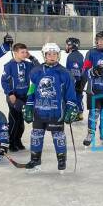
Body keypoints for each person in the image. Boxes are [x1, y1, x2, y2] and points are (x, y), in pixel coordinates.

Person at [23, 43, 77, 172]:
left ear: (58, 56)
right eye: (49, 54)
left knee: (58, 136)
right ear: (44, 55)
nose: (52, 56)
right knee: (36, 135)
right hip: (39, 112)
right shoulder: (36, 71)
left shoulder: (65, 73)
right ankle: (35, 159)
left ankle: (61, 159)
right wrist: (29, 106)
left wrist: (71, 107)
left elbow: (71, 94)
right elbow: (31, 91)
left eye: (54, 54)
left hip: (56, 112)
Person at [1, 42, 39, 151]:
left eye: (26, 52)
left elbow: (39, 68)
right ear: (15, 53)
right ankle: (11, 142)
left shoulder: (28, 64)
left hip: (25, 96)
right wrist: (10, 93)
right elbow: (4, 81)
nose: (24, 54)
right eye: (22, 52)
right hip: (14, 97)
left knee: (21, 120)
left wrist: (31, 57)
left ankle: (18, 140)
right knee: (14, 120)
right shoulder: (9, 66)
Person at [65, 37, 84, 120]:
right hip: (79, 80)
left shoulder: (72, 56)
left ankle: (76, 113)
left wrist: (73, 82)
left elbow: (75, 71)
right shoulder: (78, 54)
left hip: (76, 81)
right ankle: (79, 113)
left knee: (75, 96)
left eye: (67, 44)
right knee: (78, 96)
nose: (66, 46)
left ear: (71, 46)